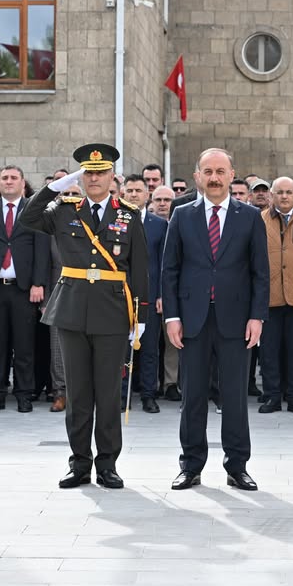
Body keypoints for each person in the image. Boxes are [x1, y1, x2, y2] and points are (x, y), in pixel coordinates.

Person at [21, 145, 148, 489]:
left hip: (112, 311)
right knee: (77, 394)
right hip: (72, 310)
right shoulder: (64, 210)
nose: (94, 179)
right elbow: (28, 218)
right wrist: (57, 187)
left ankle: (107, 464)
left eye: (100, 172)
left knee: (107, 393)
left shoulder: (128, 215)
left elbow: (139, 268)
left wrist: (140, 315)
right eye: (88, 173)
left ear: (112, 177)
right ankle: (79, 463)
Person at [163, 148, 269, 492]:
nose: (214, 177)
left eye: (220, 171)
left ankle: (237, 467)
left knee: (235, 397)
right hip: (192, 319)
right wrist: (172, 316)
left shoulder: (249, 216)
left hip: (236, 320)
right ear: (197, 176)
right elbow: (170, 269)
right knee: (192, 396)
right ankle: (190, 466)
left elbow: (260, 272)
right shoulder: (182, 214)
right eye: (207, 171)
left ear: (231, 175)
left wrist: (257, 317)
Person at [0, 166, 50, 413]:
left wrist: (39, 283)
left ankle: (24, 394)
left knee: (24, 346)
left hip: (23, 289)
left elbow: (41, 248)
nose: (8, 181)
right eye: (4, 178)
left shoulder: (35, 210)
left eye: (14, 178)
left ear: (23, 183)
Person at [258, 177, 293, 415]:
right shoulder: (258, 220)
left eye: (289, 192)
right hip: (269, 296)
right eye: (279, 192)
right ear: (271, 195)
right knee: (269, 351)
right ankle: (272, 396)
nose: (284, 196)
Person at [119, 174, 167, 413]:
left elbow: (165, 263)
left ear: (147, 195)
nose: (134, 195)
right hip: (120, 296)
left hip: (149, 296)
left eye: (138, 190)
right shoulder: (115, 221)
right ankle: (121, 395)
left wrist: (162, 295)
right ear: (123, 194)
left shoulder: (159, 225)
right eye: (130, 190)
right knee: (121, 349)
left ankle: (148, 395)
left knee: (149, 349)